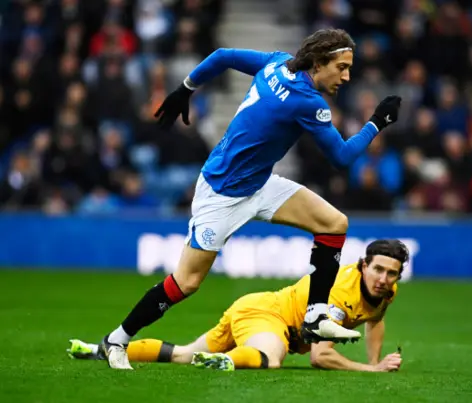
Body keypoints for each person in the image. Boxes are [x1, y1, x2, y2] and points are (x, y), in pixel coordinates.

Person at [100, 28, 403, 369]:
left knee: (334, 223)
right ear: (319, 63)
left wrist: (185, 88)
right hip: (221, 195)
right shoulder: (310, 103)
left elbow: (223, 56)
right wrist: (377, 122)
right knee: (186, 283)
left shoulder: (277, 64)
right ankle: (117, 339)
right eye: (342, 67)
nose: (347, 76)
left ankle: (316, 313)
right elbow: (343, 158)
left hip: (258, 184)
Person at [71, 240, 408, 372]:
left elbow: (374, 320)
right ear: (363, 265)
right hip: (266, 315)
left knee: (183, 355)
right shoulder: (340, 293)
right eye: (377, 269)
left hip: (255, 309)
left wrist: (376, 358)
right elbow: (321, 357)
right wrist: (371, 370)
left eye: (391, 273)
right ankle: (225, 360)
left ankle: (99, 349)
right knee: (271, 360)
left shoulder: (384, 292)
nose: (383, 278)